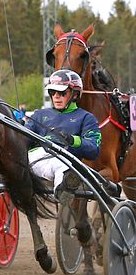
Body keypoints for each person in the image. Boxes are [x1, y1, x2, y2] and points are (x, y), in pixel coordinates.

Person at [25, 69, 101, 206]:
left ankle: (62, 192)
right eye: (52, 92)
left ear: (75, 94)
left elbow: (94, 149)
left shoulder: (86, 118)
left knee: (63, 166)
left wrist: (73, 140)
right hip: (34, 158)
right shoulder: (39, 115)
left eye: (62, 93)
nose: (56, 97)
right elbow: (24, 138)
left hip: (63, 159)